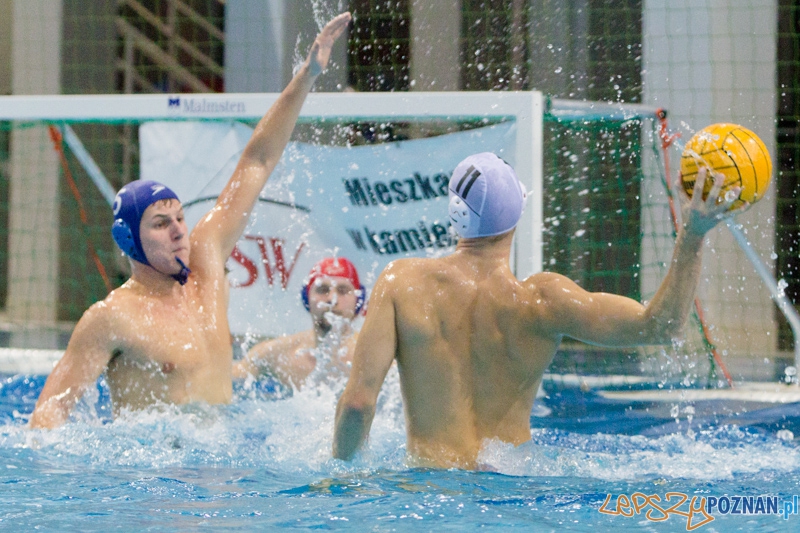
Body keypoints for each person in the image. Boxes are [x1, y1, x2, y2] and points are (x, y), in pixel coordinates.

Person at [28, 12, 352, 429]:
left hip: (223, 469)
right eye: (161, 223)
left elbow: (257, 161)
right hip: (157, 482)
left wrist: (306, 76)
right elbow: (49, 415)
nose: (180, 229)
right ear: (129, 240)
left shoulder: (206, 266)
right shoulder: (111, 318)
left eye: (180, 217)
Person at [332, 151, 739, 468]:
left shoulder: (402, 285)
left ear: (454, 213)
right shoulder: (544, 301)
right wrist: (693, 236)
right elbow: (659, 327)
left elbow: (357, 404)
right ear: (516, 217)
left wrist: (341, 479)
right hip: (512, 488)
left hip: (431, 488)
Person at [232, 257, 366, 389]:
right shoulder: (277, 354)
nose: (332, 299)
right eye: (323, 290)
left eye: (342, 291)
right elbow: (224, 383)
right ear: (306, 298)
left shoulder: (372, 359)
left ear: (358, 300)